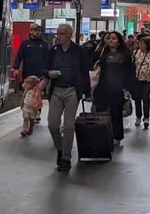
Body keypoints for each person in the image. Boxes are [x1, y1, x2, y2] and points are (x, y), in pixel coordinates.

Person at [44, 23, 93, 171]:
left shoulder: (79, 51)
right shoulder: (53, 51)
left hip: (72, 90)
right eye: (58, 33)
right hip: (57, 90)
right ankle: (60, 147)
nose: (58, 36)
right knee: (52, 124)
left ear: (70, 35)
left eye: (62, 33)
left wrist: (88, 92)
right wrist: (48, 73)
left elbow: (85, 72)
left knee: (69, 125)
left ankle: (66, 157)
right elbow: (44, 67)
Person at [92, 31, 132, 145]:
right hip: (104, 87)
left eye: (114, 38)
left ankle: (117, 136)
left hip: (118, 88)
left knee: (116, 113)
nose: (110, 40)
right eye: (109, 38)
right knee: (100, 111)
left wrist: (127, 88)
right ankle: (102, 133)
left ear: (119, 41)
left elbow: (129, 71)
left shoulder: (125, 55)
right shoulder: (103, 53)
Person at [132, 37, 150, 129]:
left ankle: (146, 118)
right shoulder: (136, 53)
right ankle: (138, 116)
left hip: (148, 79)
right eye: (140, 43)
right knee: (137, 98)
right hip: (137, 79)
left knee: (145, 98)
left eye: (142, 44)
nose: (140, 45)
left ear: (147, 45)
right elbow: (133, 64)